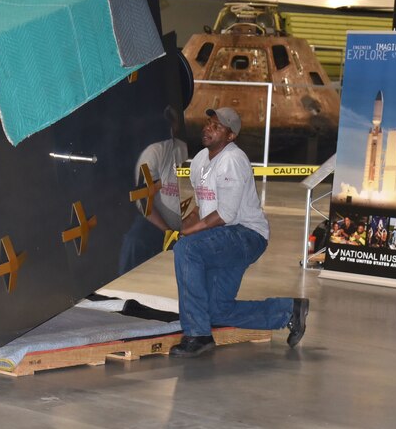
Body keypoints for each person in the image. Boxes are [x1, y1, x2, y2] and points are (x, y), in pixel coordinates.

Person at [168, 107, 308, 358]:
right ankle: (288, 310)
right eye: (209, 123)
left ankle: (197, 334)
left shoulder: (233, 160)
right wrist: (175, 228)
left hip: (245, 235)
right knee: (216, 310)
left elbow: (225, 215)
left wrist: (185, 235)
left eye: (217, 127)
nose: (208, 128)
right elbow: (202, 207)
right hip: (221, 237)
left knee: (186, 250)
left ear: (231, 136)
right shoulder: (200, 160)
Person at [118, 107, 189, 275]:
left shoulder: (195, 154)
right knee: (134, 240)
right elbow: (143, 201)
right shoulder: (154, 153)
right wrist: (168, 232)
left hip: (192, 227)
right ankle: (123, 293)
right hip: (158, 226)